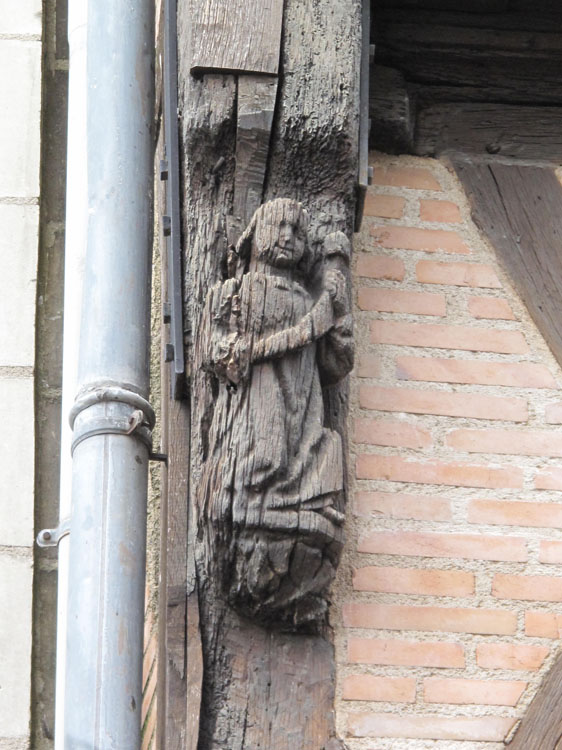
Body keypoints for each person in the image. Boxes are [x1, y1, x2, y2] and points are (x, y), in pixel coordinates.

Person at [198, 198, 353, 626]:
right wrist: (251, 350)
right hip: (256, 404)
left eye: (297, 231)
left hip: (304, 407)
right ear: (254, 235)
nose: (287, 236)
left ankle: (303, 506)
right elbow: (217, 352)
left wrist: (338, 318)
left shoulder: (309, 301)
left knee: (320, 448)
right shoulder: (233, 293)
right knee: (263, 454)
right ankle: (249, 498)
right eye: (278, 226)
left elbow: (334, 365)